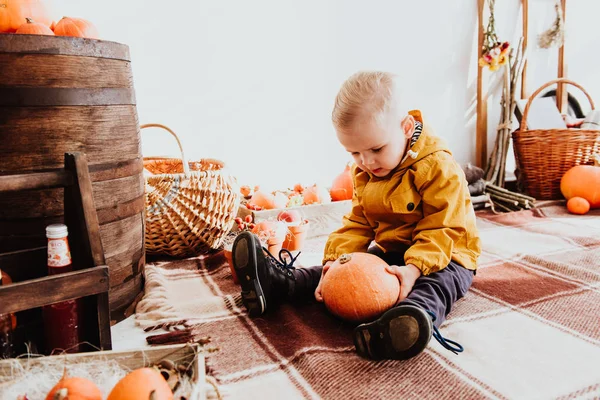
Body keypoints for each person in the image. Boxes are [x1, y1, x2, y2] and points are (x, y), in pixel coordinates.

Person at [232, 71, 481, 360]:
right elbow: (358, 223)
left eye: (377, 149)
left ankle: (407, 323)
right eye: (354, 153)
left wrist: (413, 270)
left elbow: (443, 228)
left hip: (448, 254)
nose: (367, 162)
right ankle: (280, 284)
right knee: (347, 268)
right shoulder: (365, 169)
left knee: (436, 285)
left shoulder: (438, 166)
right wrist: (332, 265)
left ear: (405, 127)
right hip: (394, 250)